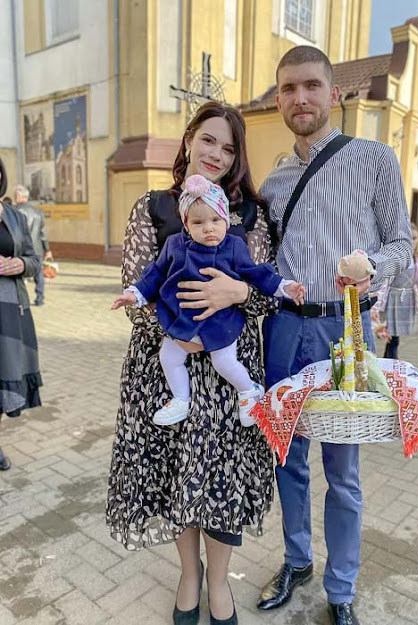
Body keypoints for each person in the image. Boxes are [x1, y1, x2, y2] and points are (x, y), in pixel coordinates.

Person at [257, 46, 413, 625]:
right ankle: (297, 559)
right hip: (284, 331)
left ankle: (341, 588)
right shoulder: (273, 181)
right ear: (279, 99)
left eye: (311, 86)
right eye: (289, 88)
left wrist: (373, 267)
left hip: (343, 331)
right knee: (287, 457)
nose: (300, 98)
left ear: (334, 93)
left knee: (342, 469)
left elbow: (402, 243)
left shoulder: (374, 160)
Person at [106, 102, 277, 625]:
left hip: (230, 370)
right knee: (178, 474)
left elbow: (268, 296)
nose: (217, 155)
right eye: (209, 141)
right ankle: (189, 574)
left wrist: (237, 291)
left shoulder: (249, 216)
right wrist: (180, 328)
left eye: (229, 148)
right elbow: (136, 284)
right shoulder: (153, 207)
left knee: (220, 477)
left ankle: (220, 581)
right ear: (187, 141)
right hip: (167, 365)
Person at [112, 174, 305, 427]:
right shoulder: (174, 245)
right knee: (169, 358)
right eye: (198, 222)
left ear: (226, 220)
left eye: (216, 220)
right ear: (186, 225)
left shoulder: (234, 246)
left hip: (220, 321)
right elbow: (154, 275)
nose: (209, 228)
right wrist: (135, 294)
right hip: (182, 318)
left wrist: (284, 287)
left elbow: (257, 274)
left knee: (224, 361)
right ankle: (181, 398)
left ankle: (248, 391)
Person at [0, 198, 43, 471]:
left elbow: (34, 259)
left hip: (11, 309)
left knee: (5, 373)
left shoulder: (15, 216)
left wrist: (21, 264)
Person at [375, 223, 418, 359]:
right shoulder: (393, 260)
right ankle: (387, 359)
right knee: (383, 331)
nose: (412, 242)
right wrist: (375, 306)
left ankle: (391, 359)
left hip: (405, 302)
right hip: (389, 302)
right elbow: (382, 284)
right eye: (408, 238)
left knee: (395, 336)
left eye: (415, 238)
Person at [14, 185, 53, 306]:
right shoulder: (38, 212)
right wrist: (47, 249)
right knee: (39, 272)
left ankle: (20, 300)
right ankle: (40, 298)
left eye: (16, 196)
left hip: (21, 248)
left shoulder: (14, 211)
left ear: (18, 196)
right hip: (37, 248)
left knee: (17, 273)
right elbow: (43, 233)